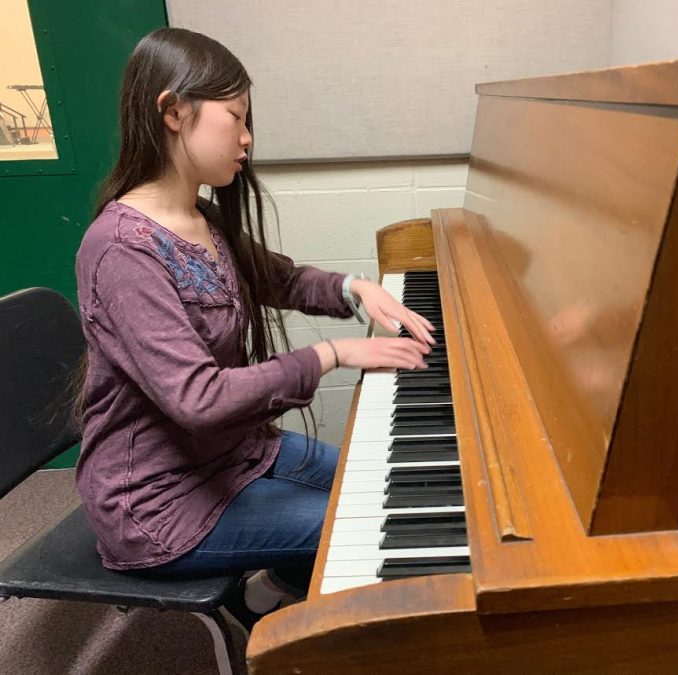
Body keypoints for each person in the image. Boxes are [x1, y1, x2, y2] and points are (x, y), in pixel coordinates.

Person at [73, 26, 435, 632]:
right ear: (172, 111)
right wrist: (334, 354)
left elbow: (281, 279)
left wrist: (357, 288)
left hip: (236, 454)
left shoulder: (200, 216)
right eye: (236, 119)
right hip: (160, 505)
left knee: (375, 477)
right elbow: (200, 399)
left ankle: (276, 585)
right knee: (364, 520)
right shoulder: (120, 251)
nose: (247, 139)